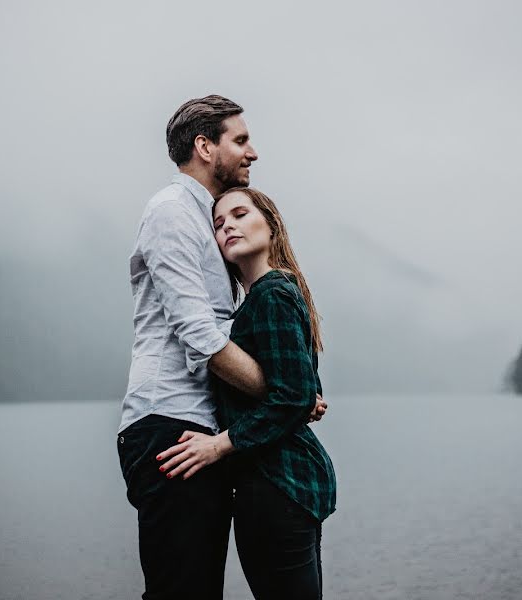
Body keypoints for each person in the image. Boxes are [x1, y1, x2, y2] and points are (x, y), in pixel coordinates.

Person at [117, 95, 326, 600]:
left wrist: (292, 391)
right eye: (241, 140)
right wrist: (287, 394)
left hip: (202, 431)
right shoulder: (171, 213)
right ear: (204, 146)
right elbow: (203, 338)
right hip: (169, 427)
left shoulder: (205, 221)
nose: (252, 152)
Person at [158, 187, 336, 600]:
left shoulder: (271, 293)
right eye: (219, 225)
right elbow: (303, 385)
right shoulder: (275, 294)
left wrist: (218, 446)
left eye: (240, 214)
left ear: (271, 226)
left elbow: (293, 395)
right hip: (290, 482)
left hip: (278, 483)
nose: (228, 227)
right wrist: (307, 397)